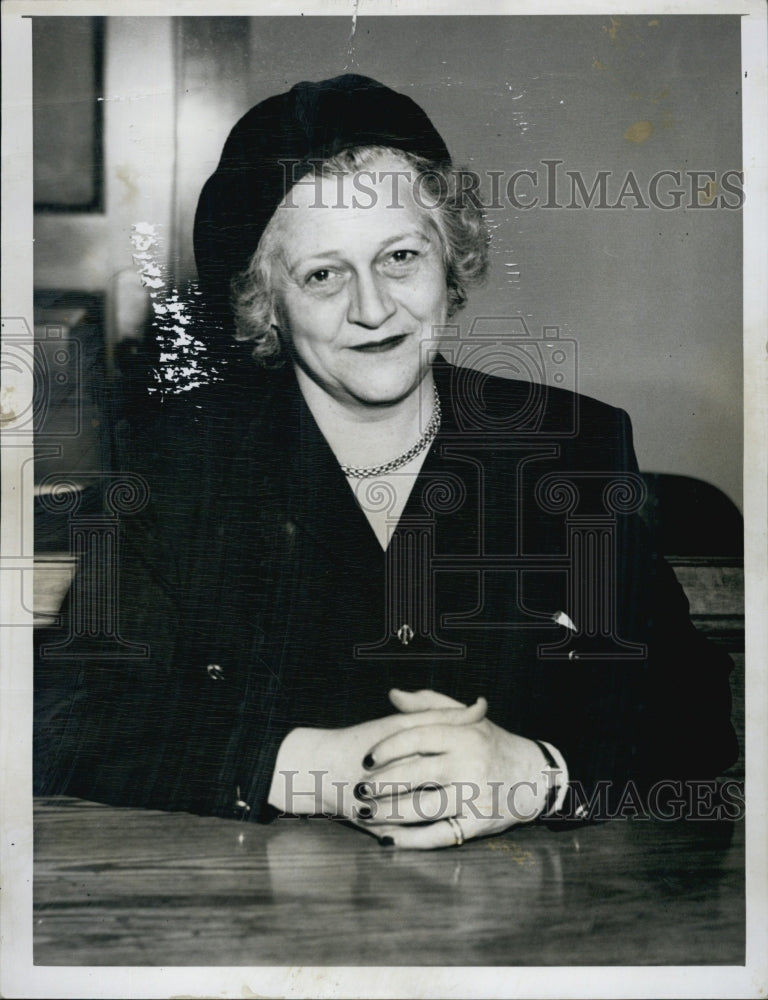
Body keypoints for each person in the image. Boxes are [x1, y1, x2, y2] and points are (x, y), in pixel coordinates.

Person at [34, 74, 738, 850]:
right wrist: (319, 768)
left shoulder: (573, 448)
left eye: (400, 256)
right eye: (323, 274)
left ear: (450, 256)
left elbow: (694, 710)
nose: (373, 309)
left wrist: (535, 774)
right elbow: (61, 716)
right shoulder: (179, 467)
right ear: (267, 303)